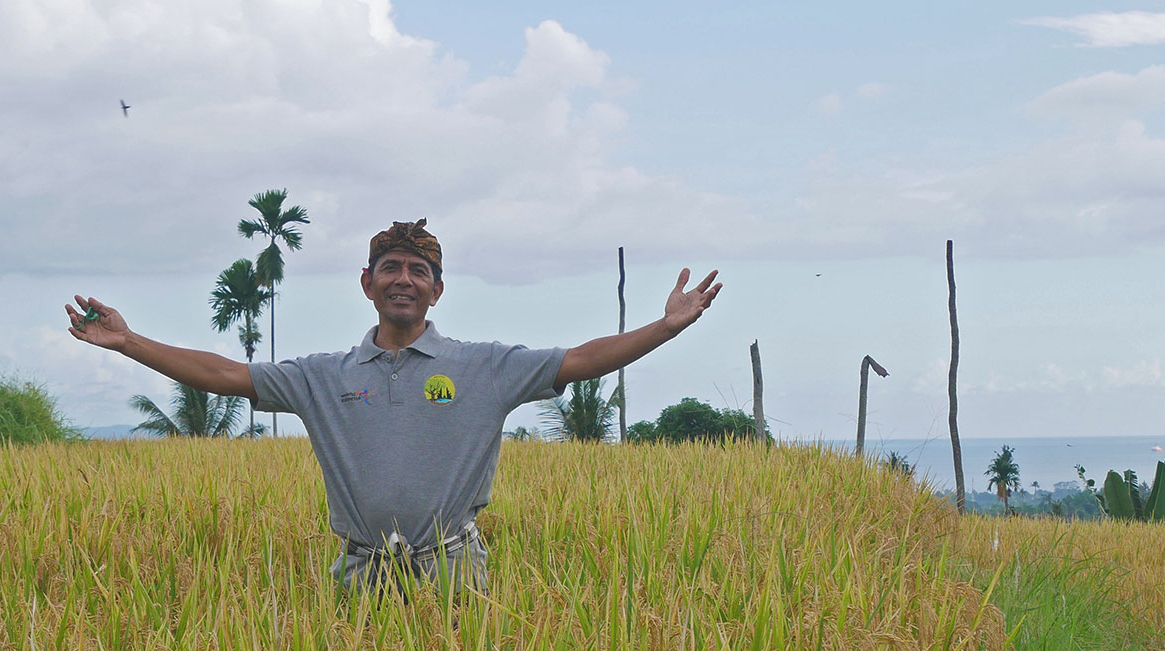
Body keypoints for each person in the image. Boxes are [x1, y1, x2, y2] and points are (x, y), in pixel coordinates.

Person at [65, 218, 720, 592]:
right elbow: (224, 374)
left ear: (436, 290)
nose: (402, 278)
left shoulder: (483, 367)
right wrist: (128, 342)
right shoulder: (324, 376)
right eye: (390, 267)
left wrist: (664, 327)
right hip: (362, 577)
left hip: (454, 577)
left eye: (416, 270)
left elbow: (579, 360)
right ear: (367, 283)